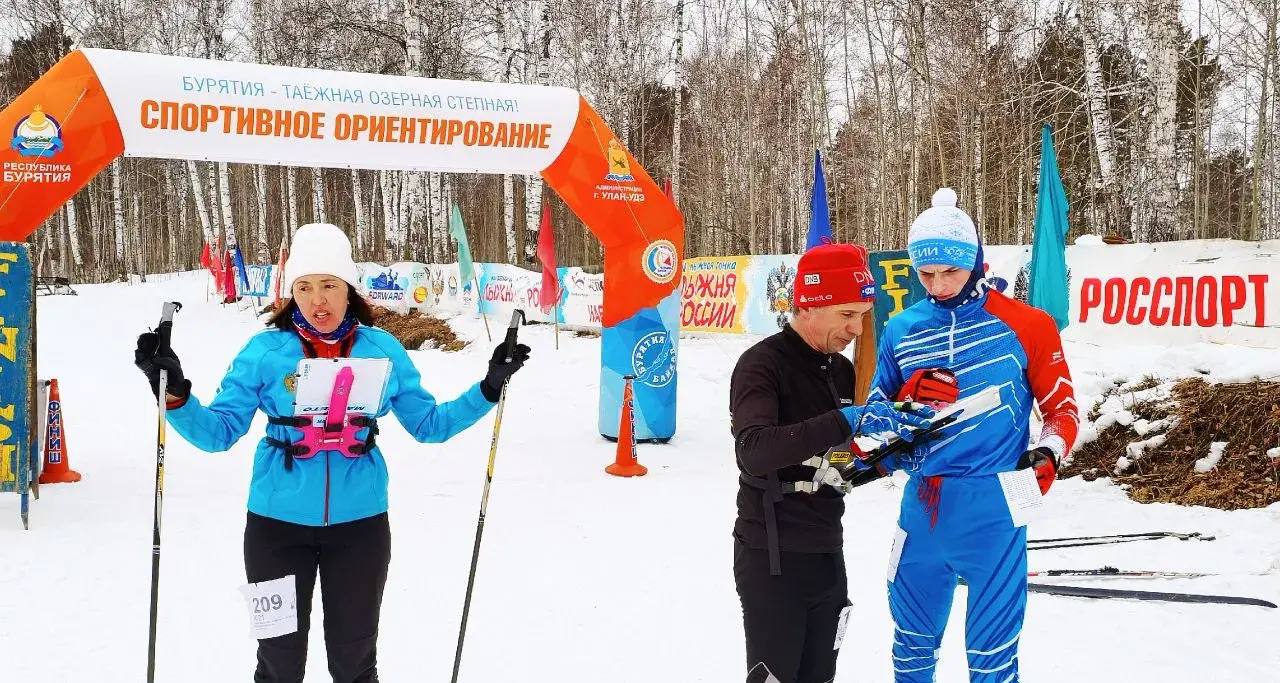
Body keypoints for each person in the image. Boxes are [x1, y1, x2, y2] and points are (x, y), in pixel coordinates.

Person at [133, 222, 531, 683]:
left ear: (348, 289)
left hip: (359, 529)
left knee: (355, 662)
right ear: (291, 294)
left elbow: (429, 425)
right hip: (274, 529)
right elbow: (218, 433)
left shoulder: (382, 350)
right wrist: (174, 393)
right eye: (304, 287)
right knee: (278, 662)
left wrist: (489, 388)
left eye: (328, 285)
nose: (317, 300)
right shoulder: (264, 351)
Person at [870, 188, 1079, 682]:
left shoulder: (1027, 324)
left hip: (997, 504)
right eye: (926, 274)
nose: (939, 285)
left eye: (951, 271)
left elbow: (1062, 410)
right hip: (923, 505)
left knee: (993, 658)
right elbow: (873, 424)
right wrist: (904, 405)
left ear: (975, 261)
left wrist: (1048, 453)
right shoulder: (901, 329)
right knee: (911, 650)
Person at [729, 242, 935, 683]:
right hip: (772, 556)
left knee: (820, 676)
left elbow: (832, 465)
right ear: (809, 306)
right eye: (847, 314)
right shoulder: (761, 365)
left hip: (826, 552)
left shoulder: (839, 371)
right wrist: (845, 418)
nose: (856, 329)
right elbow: (754, 451)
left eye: (863, 315)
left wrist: (885, 460)